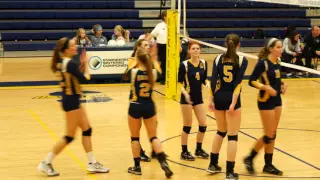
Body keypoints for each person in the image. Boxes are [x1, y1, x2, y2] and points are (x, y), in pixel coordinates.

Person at [37, 37, 109, 176]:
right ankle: (46, 163)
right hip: (71, 101)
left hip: (72, 99)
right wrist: (86, 65)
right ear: (66, 50)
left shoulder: (62, 62)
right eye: (72, 45)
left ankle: (92, 163)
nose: (75, 46)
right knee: (69, 136)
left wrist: (81, 65)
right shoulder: (69, 63)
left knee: (87, 129)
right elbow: (85, 79)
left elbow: (74, 77)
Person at [125, 49, 173, 178]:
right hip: (149, 106)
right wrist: (152, 59)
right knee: (153, 137)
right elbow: (158, 69)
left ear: (137, 59)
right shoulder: (154, 73)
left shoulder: (133, 72)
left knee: (134, 138)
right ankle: (164, 162)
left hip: (135, 106)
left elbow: (126, 71)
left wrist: (135, 57)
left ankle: (137, 167)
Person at [243, 38, 288, 176]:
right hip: (265, 101)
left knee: (273, 133)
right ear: (270, 49)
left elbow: (277, 78)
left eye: (281, 47)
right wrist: (265, 87)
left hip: (277, 100)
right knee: (268, 135)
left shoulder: (278, 62)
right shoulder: (263, 64)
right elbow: (251, 81)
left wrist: (283, 85)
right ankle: (249, 158)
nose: (281, 49)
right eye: (278, 47)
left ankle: (268, 165)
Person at [207, 34, 248, 180]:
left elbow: (213, 82)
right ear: (238, 45)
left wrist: (211, 100)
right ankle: (230, 172)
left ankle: (213, 164)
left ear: (226, 44)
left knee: (220, 131)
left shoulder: (218, 59)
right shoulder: (242, 60)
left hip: (219, 97)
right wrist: (233, 103)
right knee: (232, 135)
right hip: (232, 98)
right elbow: (238, 84)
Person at [178, 41, 209, 161]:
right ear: (189, 51)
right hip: (187, 98)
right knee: (187, 125)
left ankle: (198, 149)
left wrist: (207, 84)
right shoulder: (184, 65)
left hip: (198, 97)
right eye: (194, 49)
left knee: (203, 124)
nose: (196, 50)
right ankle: (184, 151)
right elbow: (179, 82)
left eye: (198, 49)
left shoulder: (203, 63)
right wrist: (185, 93)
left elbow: (204, 78)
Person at [149, 10, 167, 84]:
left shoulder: (174, 24)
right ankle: (162, 78)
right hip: (162, 45)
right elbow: (152, 34)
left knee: (170, 63)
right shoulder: (160, 25)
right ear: (164, 17)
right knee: (163, 62)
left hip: (171, 46)